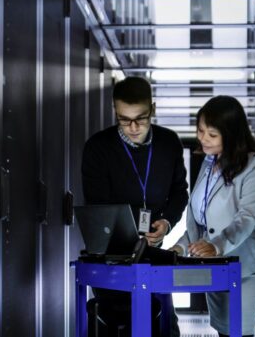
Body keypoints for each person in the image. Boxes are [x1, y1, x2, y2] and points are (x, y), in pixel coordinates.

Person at [81, 76, 188, 336]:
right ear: (115, 112)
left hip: (153, 249)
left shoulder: (169, 143)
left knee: (163, 325)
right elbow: (98, 205)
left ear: (152, 109)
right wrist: (129, 235)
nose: (132, 127)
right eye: (123, 119)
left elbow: (179, 191)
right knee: (120, 323)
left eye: (140, 118)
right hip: (112, 255)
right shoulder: (98, 147)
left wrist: (167, 222)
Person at [171, 96, 255, 337]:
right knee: (223, 332)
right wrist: (181, 247)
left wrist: (216, 246)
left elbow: (247, 218)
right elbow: (202, 222)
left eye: (212, 134)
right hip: (213, 266)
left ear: (232, 134)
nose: (203, 138)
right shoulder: (208, 162)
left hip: (243, 266)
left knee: (239, 333)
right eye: (201, 130)